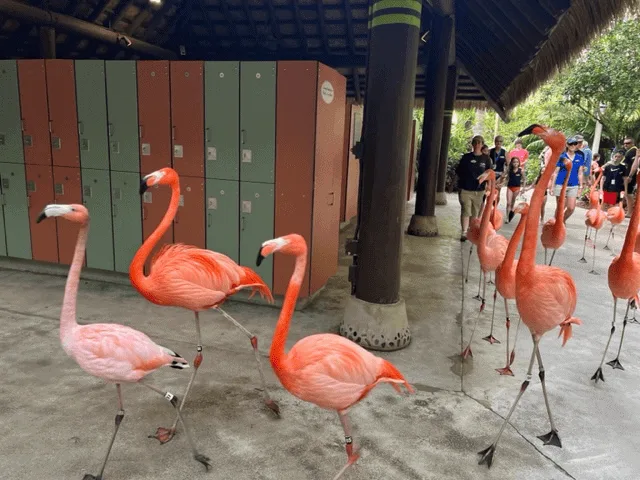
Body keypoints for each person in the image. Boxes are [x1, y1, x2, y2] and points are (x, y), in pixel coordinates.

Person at [456, 135, 492, 242]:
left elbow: (489, 173)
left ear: (482, 144)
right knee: (466, 210)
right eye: (475, 142)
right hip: (465, 189)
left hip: (479, 190)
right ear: (472, 144)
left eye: (479, 142)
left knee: (475, 212)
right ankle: (464, 232)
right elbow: (458, 172)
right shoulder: (466, 157)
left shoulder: (486, 159)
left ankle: (471, 230)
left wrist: (489, 186)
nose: (477, 144)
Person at [549, 136, 585, 221]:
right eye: (571, 144)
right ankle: (556, 222)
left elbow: (580, 173)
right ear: (567, 145)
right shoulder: (562, 157)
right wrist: (552, 186)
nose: (573, 145)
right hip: (561, 184)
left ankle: (561, 221)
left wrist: (581, 186)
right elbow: (555, 172)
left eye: (575, 144)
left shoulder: (579, 157)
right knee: (560, 207)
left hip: (573, 185)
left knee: (571, 208)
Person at [622, 137, 638, 217]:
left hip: (631, 176)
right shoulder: (629, 151)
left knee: (629, 193)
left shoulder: (633, 151)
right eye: (624, 143)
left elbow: (635, 165)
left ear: (632, 143)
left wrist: (630, 176)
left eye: (627, 143)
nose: (625, 145)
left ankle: (630, 212)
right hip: (628, 175)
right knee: (627, 193)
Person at [504, 157, 524, 222]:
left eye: (517, 162)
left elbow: (524, 179)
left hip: (517, 188)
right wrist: (500, 182)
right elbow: (503, 176)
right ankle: (507, 217)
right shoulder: (509, 170)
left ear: (519, 163)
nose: (515, 163)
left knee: (513, 203)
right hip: (509, 187)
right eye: (514, 162)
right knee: (508, 203)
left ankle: (510, 215)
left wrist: (523, 188)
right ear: (512, 163)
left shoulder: (521, 170)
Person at [489, 136, 507, 207]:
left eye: (500, 141)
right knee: (490, 192)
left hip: (500, 174)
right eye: (497, 141)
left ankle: (495, 207)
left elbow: (509, 165)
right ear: (494, 142)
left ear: (502, 142)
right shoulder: (490, 151)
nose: (498, 143)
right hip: (491, 173)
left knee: (497, 193)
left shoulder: (505, 152)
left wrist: (504, 175)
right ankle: (489, 207)